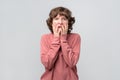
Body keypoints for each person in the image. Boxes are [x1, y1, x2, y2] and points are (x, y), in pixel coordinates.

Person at [40, 6, 81, 80]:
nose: (60, 22)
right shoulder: (45, 38)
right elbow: (48, 64)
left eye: (64, 19)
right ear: (51, 22)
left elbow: (72, 62)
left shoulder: (75, 37)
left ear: (68, 22)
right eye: (56, 19)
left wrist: (63, 39)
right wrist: (56, 38)